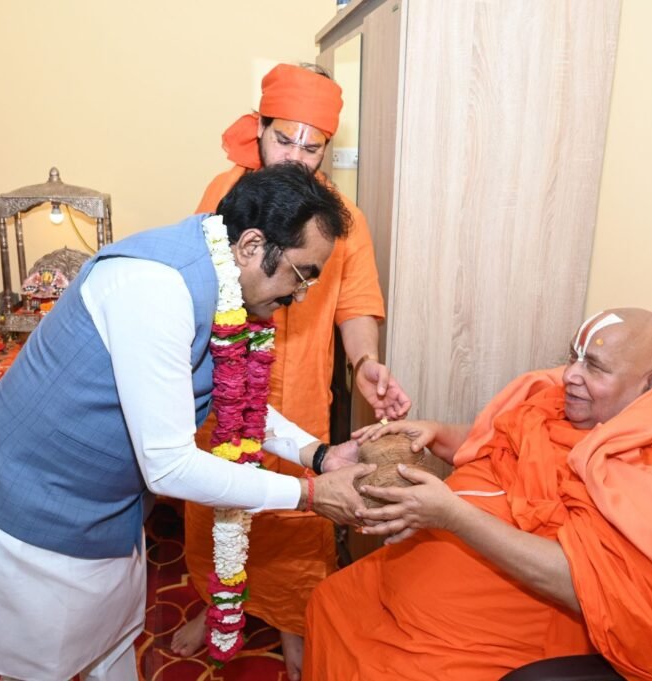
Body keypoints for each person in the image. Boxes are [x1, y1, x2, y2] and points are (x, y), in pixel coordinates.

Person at [0, 163, 385, 681]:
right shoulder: (156, 288)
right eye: (301, 276)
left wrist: (319, 455)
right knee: (48, 666)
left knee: (108, 647)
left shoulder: (219, 275)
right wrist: (308, 494)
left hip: (106, 506)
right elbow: (169, 467)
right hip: (35, 500)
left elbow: (228, 390)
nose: (299, 296)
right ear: (252, 245)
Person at [305, 308, 652, 681]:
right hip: (408, 586)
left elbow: (591, 585)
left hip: (489, 637)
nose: (570, 376)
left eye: (595, 367)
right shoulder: (553, 404)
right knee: (331, 601)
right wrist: (436, 433)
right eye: (573, 357)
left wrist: (454, 517)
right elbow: (498, 443)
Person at [175, 62, 409, 679]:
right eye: (284, 139)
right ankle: (213, 603)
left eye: (312, 146)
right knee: (216, 507)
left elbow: (357, 304)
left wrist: (365, 362)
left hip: (300, 393)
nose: (295, 158)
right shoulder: (223, 194)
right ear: (259, 130)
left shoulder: (342, 218)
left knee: (299, 518)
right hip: (223, 385)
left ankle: (293, 624)